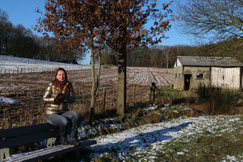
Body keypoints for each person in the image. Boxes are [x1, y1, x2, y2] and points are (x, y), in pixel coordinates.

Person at [43, 67, 79, 146]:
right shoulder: (52, 84)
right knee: (64, 121)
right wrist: (54, 99)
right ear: (56, 76)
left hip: (63, 112)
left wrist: (66, 98)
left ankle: (73, 138)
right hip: (51, 113)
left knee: (75, 115)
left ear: (65, 76)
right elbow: (44, 98)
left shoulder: (69, 85)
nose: (62, 76)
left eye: (63, 75)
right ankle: (63, 138)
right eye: (60, 75)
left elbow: (73, 99)